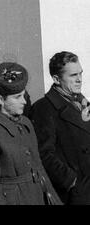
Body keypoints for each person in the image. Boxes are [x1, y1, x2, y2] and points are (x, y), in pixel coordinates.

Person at [0, 62, 61, 205]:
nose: (24, 101)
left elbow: (39, 167)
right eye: (17, 97)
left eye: (24, 95)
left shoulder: (25, 123)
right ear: (1, 100)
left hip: (37, 196)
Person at [30, 51, 90, 205]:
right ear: (56, 78)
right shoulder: (44, 108)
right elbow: (43, 154)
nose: (79, 79)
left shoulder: (82, 102)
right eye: (73, 75)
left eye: (80, 73)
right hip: (77, 194)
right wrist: (72, 181)